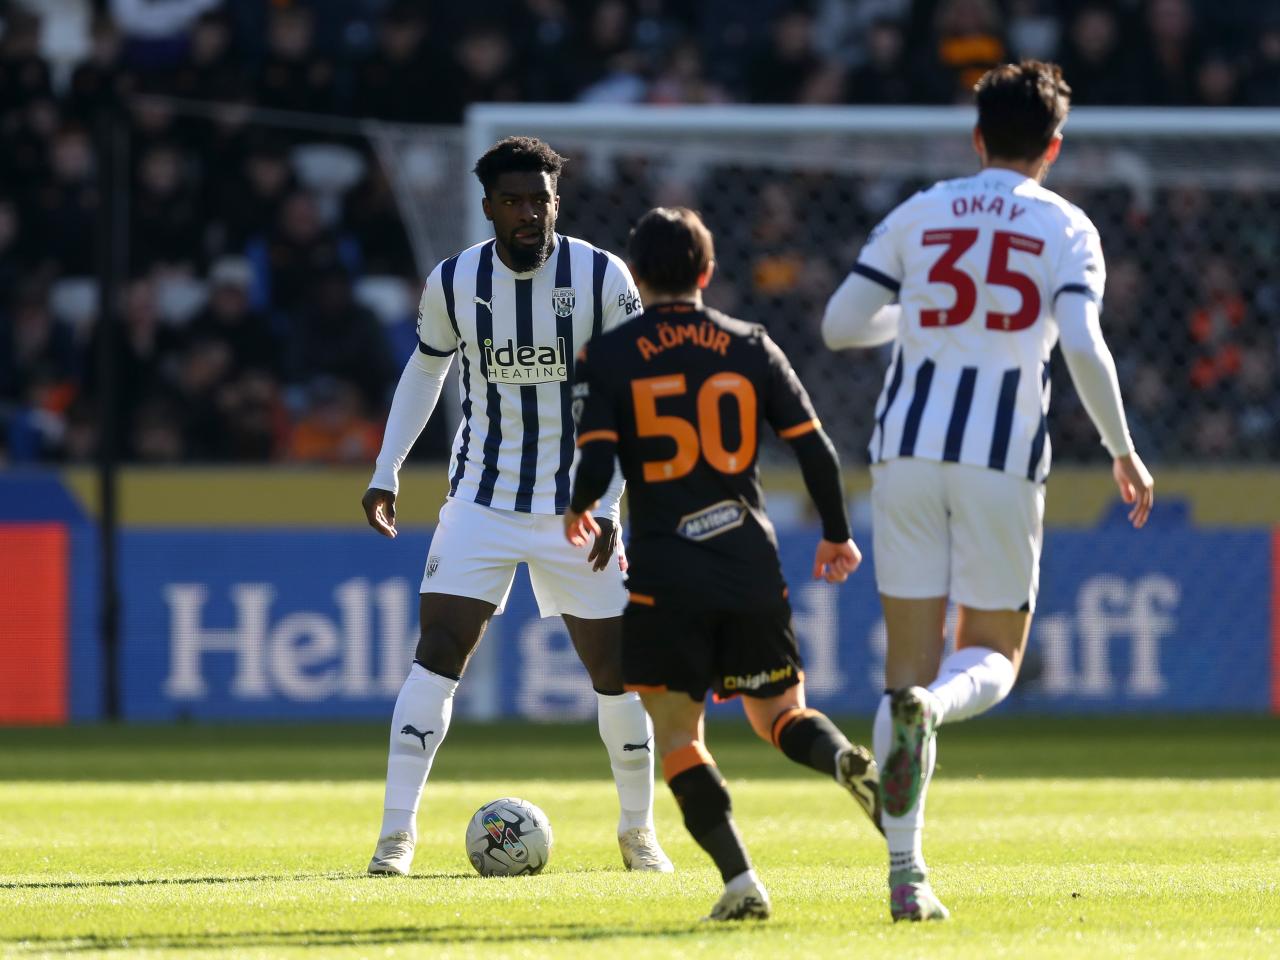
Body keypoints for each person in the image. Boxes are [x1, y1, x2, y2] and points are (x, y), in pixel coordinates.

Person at [821, 60, 1155, 921]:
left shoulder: (920, 210)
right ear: (1054, 145)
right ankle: (934, 708)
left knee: (905, 664)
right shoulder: (1068, 227)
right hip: (1000, 456)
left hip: (903, 451)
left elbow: (841, 325)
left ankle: (907, 875)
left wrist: (929, 315)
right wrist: (1122, 448)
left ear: (977, 138)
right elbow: (1080, 340)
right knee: (996, 658)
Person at [362, 137, 671, 876]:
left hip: (578, 506)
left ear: (555, 202)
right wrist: (386, 470)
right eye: (514, 202)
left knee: (617, 671)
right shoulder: (454, 281)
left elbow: (634, 395)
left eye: (542, 199)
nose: (530, 214)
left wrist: (613, 503)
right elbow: (426, 370)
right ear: (488, 208)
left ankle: (638, 834)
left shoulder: (601, 276)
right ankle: (395, 838)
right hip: (481, 499)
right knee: (436, 654)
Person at [565, 207, 881, 922]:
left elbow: (599, 457)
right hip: (747, 558)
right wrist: (837, 533)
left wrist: (580, 505)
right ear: (707, 273)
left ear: (636, 276)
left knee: (679, 736)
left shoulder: (611, 354)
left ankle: (741, 881)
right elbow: (814, 449)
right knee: (780, 714)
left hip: (666, 570)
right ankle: (841, 762)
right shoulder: (751, 345)